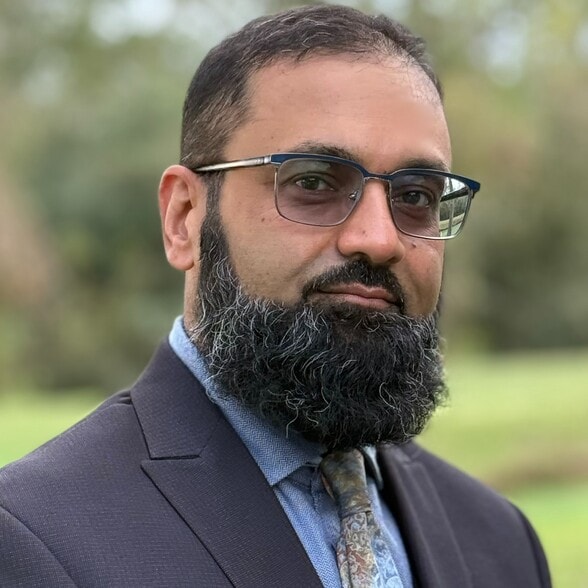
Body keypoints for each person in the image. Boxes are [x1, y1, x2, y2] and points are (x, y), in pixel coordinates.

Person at [0, 4, 550, 587]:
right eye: (313, 182)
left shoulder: (500, 541)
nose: (378, 239)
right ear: (184, 218)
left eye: (415, 196)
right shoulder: (34, 541)